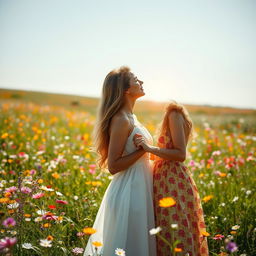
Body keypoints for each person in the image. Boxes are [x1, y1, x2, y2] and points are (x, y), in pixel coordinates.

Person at [84, 66, 156, 256]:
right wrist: (143, 151)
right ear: (126, 90)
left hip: (140, 187)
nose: (141, 82)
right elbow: (113, 166)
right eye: (135, 79)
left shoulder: (131, 117)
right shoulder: (121, 119)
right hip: (130, 191)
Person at [134, 102, 209, 256]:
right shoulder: (173, 115)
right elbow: (167, 152)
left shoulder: (174, 114)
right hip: (167, 180)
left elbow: (180, 154)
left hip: (172, 181)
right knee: (168, 229)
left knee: (175, 230)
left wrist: (150, 149)